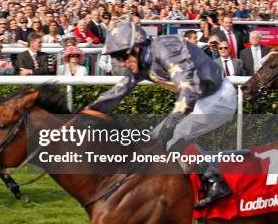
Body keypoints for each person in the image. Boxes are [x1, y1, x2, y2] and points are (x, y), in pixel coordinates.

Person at [86, 22, 236, 208]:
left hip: (218, 97)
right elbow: (118, 92)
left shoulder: (165, 49)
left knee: (175, 138)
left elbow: (189, 88)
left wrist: (172, 121)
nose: (122, 63)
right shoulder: (141, 61)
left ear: (138, 47)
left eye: (121, 56)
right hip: (200, 100)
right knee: (152, 142)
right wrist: (86, 113)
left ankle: (215, 182)